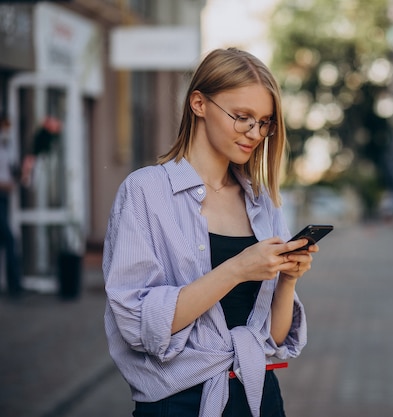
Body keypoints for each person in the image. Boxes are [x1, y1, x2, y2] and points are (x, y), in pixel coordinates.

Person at [103, 48, 317, 417]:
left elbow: (275, 338)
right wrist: (237, 269)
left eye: (265, 122)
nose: (255, 133)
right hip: (178, 402)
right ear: (199, 103)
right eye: (242, 117)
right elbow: (139, 326)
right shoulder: (146, 192)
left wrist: (288, 280)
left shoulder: (262, 201)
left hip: (258, 396)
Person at [0, 117, 22, 298]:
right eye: (6, 126)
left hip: (5, 198)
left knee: (7, 239)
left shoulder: (7, 146)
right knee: (9, 238)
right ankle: (15, 285)